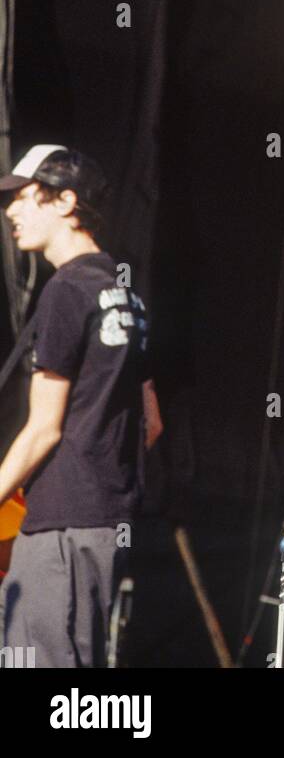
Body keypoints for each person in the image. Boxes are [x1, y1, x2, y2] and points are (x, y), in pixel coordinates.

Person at [0, 144, 160, 667]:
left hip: (61, 524)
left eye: (24, 197)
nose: (10, 211)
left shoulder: (66, 289)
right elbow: (152, 423)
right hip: (105, 517)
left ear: (65, 201)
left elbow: (44, 429)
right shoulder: (124, 290)